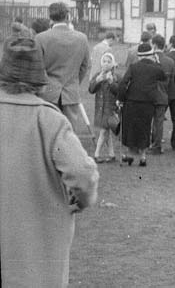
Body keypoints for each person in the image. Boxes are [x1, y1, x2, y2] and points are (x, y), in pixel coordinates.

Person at [0, 36, 98, 287]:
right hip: (37, 241)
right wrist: (82, 200)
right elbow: (81, 173)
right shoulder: (49, 119)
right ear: (39, 76)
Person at [36, 2, 90, 128]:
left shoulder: (40, 38)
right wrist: (73, 82)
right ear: (67, 16)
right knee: (68, 135)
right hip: (70, 93)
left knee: (48, 133)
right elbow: (84, 67)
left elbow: (38, 69)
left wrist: (46, 85)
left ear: (50, 17)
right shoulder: (81, 38)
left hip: (48, 94)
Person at [117, 43, 166, 167]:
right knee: (145, 129)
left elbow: (123, 83)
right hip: (148, 103)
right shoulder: (156, 68)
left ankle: (127, 154)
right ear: (151, 55)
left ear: (139, 56)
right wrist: (157, 61)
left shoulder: (133, 67)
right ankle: (143, 157)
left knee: (129, 128)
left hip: (131, 101)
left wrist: (120, 99)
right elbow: (163, 76)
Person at [88, 52, 120, 163]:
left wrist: (111, 82)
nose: (106, 64)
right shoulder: (98, 75)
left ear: (113, 64)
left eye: (109, 61)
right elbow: (91, 90)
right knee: (106, 132)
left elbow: (119, 92)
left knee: (103, 131)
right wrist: (97, 81)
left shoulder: (115, 76)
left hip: (110, 108)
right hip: (100, 108)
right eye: (104, 61)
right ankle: (112, 155)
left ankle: (96, 155)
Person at [150, 34, 175, 155]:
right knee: (159, 122)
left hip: (150, 95)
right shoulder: (170, 61)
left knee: (149, 121)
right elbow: (172, 81)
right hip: (164, 95)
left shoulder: (151, 59)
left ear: (154, 45)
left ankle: (151, 143)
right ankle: (157, 146)